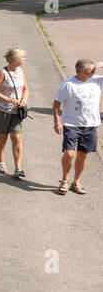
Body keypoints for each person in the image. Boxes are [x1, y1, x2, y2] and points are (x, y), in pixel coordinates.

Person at [53, 58, 103, 195]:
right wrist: (57, 121)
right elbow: (56, 104)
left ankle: (76, 182)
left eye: (94, 70)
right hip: (71, 125)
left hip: (90, 125)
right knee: (69, 154)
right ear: (81, 71)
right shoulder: (68, 84)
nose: (94, 72)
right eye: (91, 70)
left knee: (83, 155)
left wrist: (100, 64)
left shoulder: (97, 80)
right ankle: (64, 180)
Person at [0, 48, 29, 176]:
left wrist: (24, 99)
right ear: (15, 59)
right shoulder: (2, 73)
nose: (24, 59)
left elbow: (25, 89)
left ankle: (18, 168)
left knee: (17, 138)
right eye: (22, 57)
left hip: (17, 112)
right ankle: (0, 162)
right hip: (2, 110)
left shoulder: (21, 71)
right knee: (2, 137)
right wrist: (8, 99)